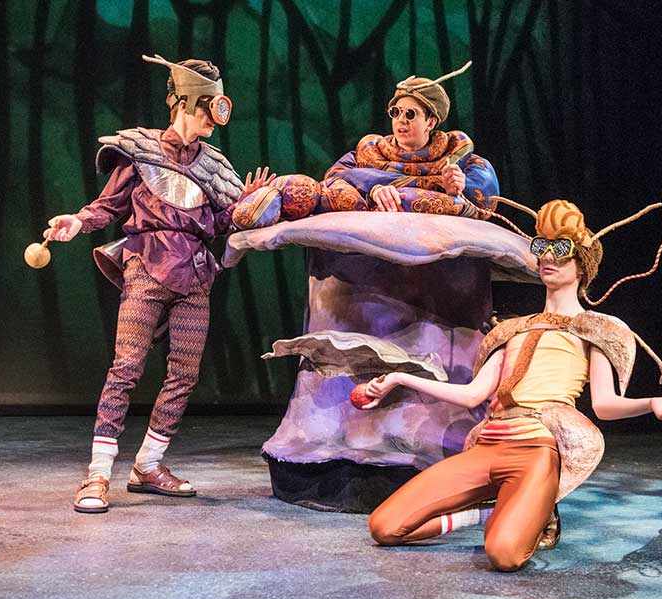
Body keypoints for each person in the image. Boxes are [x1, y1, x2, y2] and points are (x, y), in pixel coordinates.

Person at [363, 198, 662, 571]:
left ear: (582, 265)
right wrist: (400, 378)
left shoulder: (595, 328)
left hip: (534, 450)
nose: (548, 257)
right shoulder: (512, 329)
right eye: (542, 248)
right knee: (384, 527)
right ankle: (483, 512)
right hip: (488, 446)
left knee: (503, 554)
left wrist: (652, 403)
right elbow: (472, 394)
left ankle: (530, 509)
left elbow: (604, 405)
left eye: (561, 250)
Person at [45, 54, 272, 513]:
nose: (215, 119)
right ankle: (97, 475)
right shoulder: (141, 151)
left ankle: (148, 465)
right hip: (147, 267)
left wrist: (247, 207)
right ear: (186, 103)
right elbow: (108, 206)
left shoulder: (214, 165)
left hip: (195, 275)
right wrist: (77, 221)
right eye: (209, 108)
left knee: (184, 373)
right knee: (126, 367)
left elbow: (218, 222)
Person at [320, 62, 499, 217]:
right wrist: (374, 189)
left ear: (430, 122)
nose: (401, 120)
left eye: (410, 114)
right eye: (395, 112)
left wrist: (460, 187)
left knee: (409, 198)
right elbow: (333, 177)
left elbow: (486, 197)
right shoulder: (369, 152)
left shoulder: (459, 158)